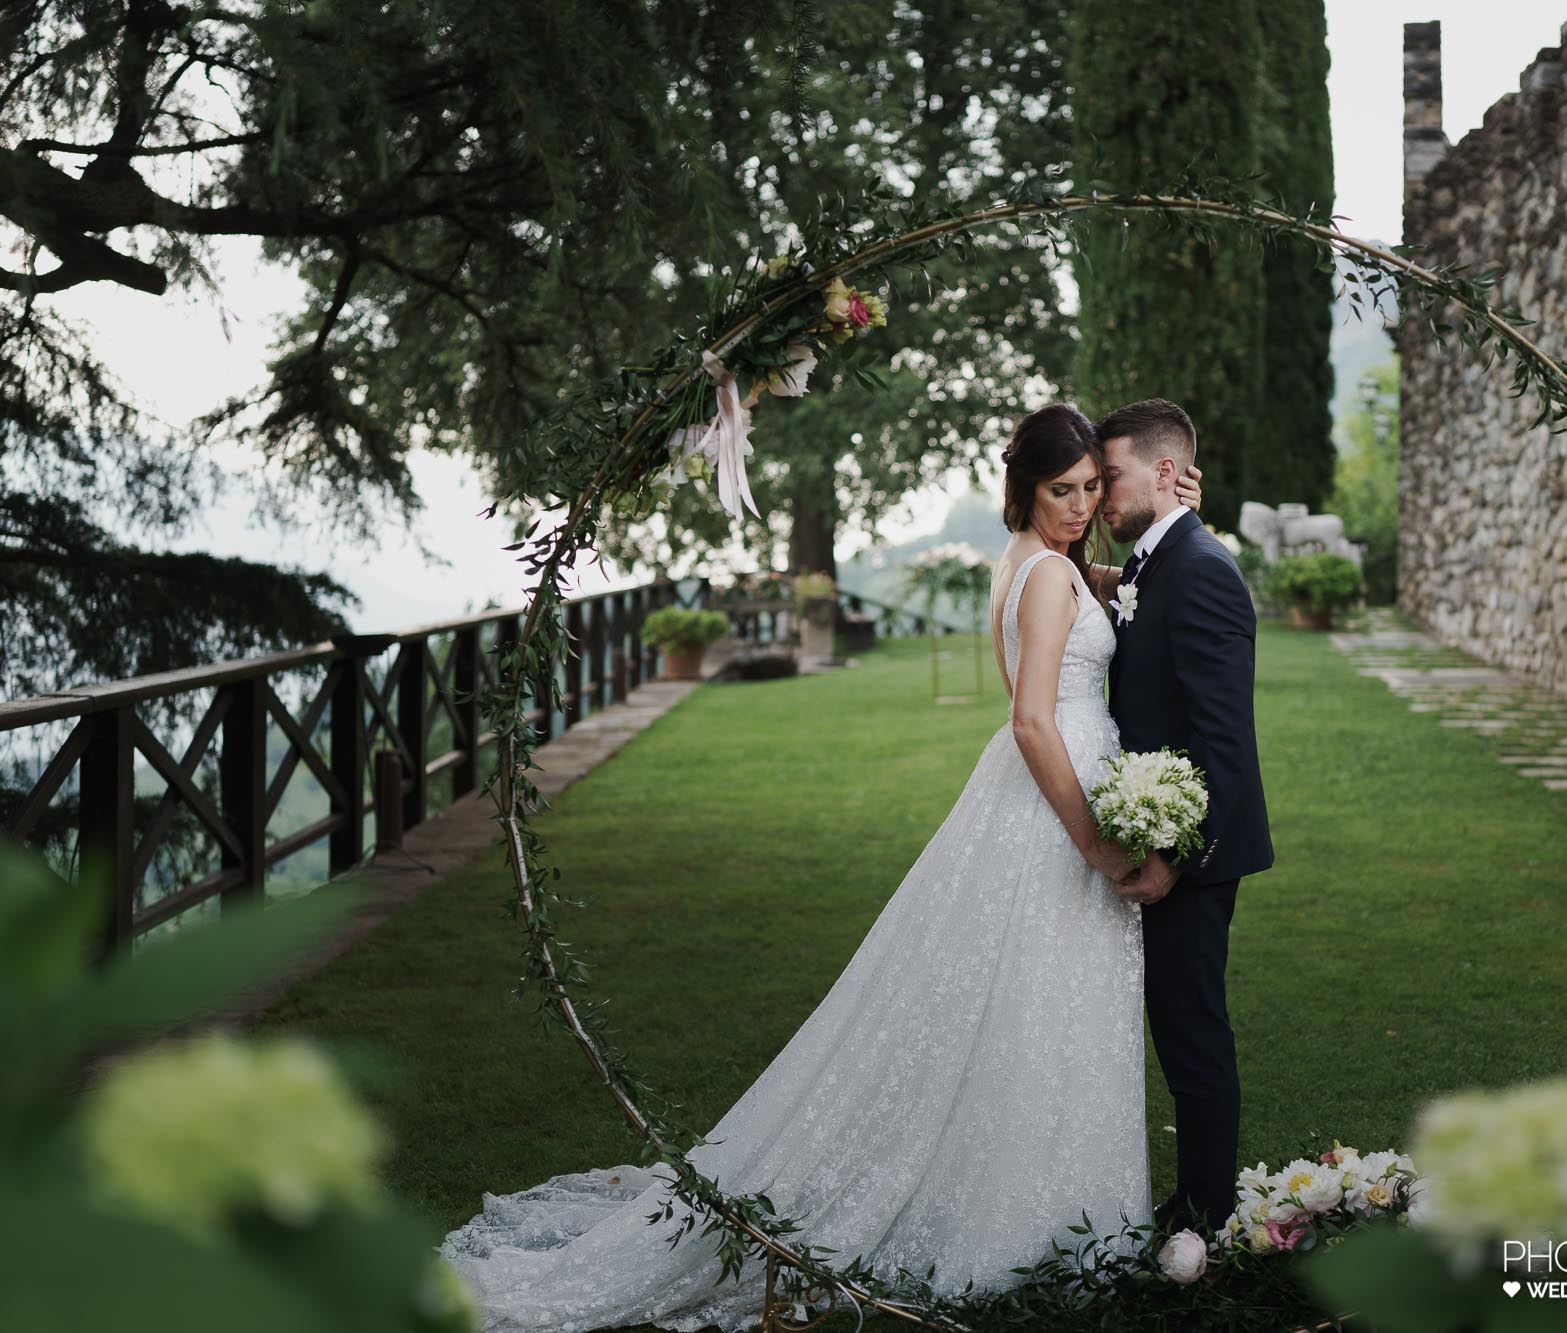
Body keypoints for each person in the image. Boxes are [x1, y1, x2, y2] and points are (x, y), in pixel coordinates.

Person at [436, 403, 1204, 1332]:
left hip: (1032, 797)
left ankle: (1036, 1205)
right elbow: (1032, 718)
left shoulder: (1037, 561)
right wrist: (1093, 839)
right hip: (1056, 802)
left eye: (1089, 488)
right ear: (1025, 488)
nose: (1080, 506)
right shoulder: (1048, 576)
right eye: (1061, 490)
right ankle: (1039, 1225)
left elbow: (1111, 587)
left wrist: (1169, 520)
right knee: (1049, 1002)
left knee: (1031, 1005)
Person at [1095, 397, 1273, 1237]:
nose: (1099, 495)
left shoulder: (1200, 567)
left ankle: (1208, 1210)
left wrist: (1172, 854)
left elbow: (1223, 742)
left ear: (1165, 472)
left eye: (1111, 476)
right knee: (1177, 1024)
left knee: (1193, 1030)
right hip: (1164, 834)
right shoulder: (1153, 560)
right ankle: (1195, 1199)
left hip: (1197, 851)